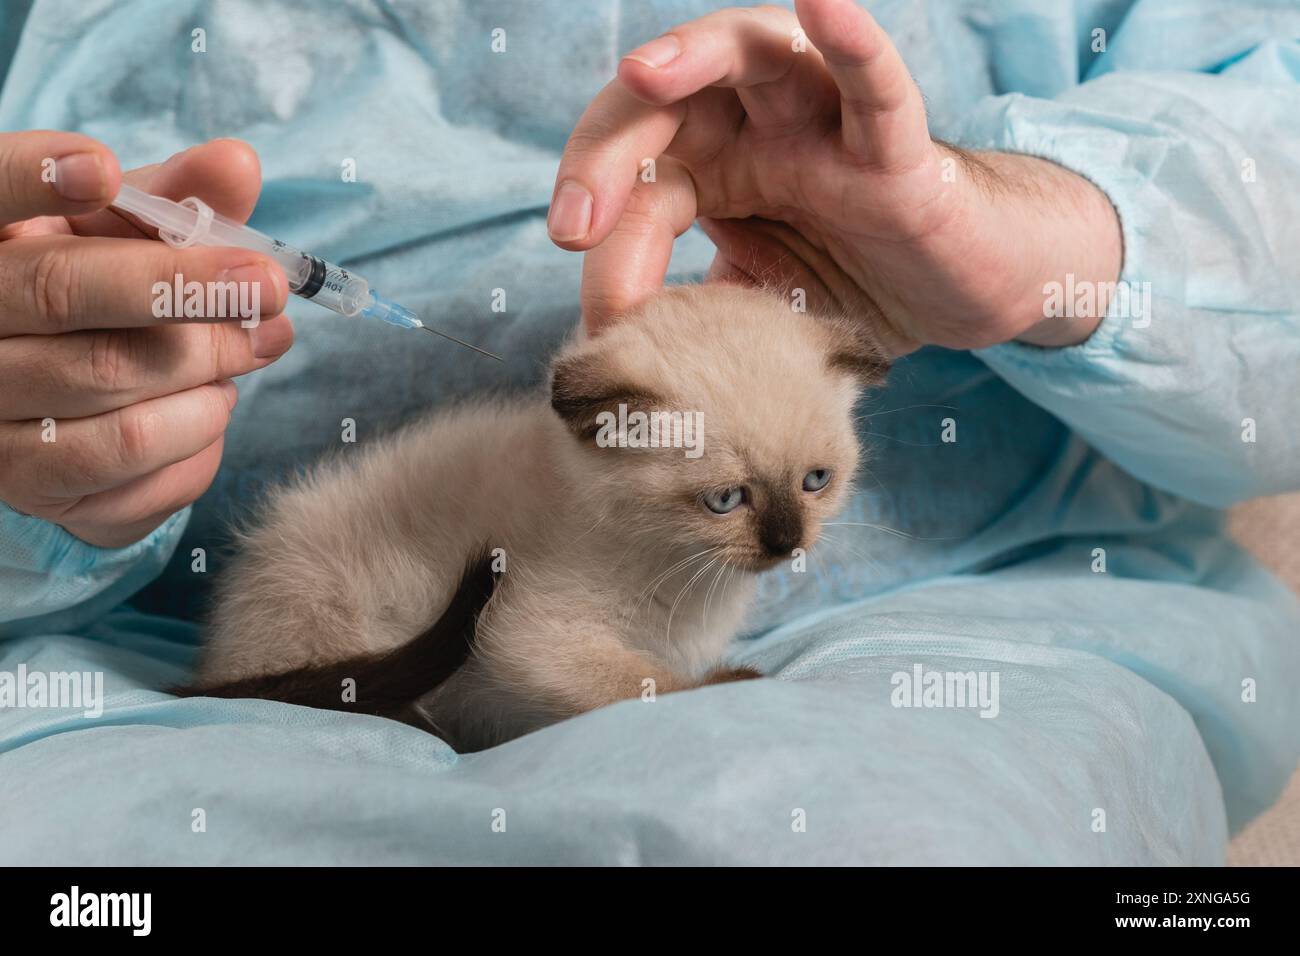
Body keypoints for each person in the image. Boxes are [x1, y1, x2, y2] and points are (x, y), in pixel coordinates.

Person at [0, 0, 1296, 865]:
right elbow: (539, 629)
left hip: (973, 623)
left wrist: (1036, 241)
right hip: (138, 664)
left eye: (812, 485)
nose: (791, 537)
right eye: (738, 506)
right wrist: (37, 457)